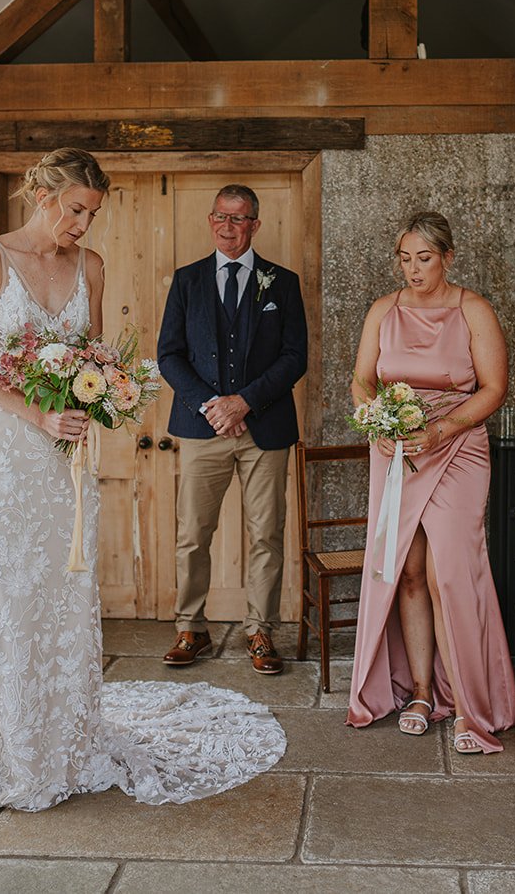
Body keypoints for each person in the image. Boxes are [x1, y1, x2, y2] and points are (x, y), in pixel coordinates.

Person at [0, 149, 283, 811]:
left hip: (67, 457)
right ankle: (12, 742)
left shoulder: (92, 267)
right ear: (43, 195)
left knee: (67, 586)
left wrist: (103, 393)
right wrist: (39, 415)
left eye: (93, 213)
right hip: (7, 451)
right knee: (13, 585)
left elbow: (95, 355)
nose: (84, 224)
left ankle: (69, 736)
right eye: (77, 210)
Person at [346, 212, 515, 754]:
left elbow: (495, 388)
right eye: (405, 258)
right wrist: (377, 419)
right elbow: (361, 379)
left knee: (453, 573)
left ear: (447, 256)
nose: (414, 269)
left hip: (458, 448)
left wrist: (444, 427)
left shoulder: (473, 310)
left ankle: (470, 704)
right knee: (410, 571)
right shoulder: (384, 310)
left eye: (424, 258)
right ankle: (421, 691)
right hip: (396, 450)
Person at [157, 184, 308, 674]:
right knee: (193, 533)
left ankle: (260, 631)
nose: (228, 226)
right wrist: (211, 406)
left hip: (265, 430)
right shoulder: (186, 281)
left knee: (267, 532)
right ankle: (190, 628)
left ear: (255, 225)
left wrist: (245, 401)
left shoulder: (281, 283)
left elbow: (294, 357)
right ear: (210, 219)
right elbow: (169, 356)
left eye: (239, 219)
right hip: (203, 430)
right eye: (220, 216)